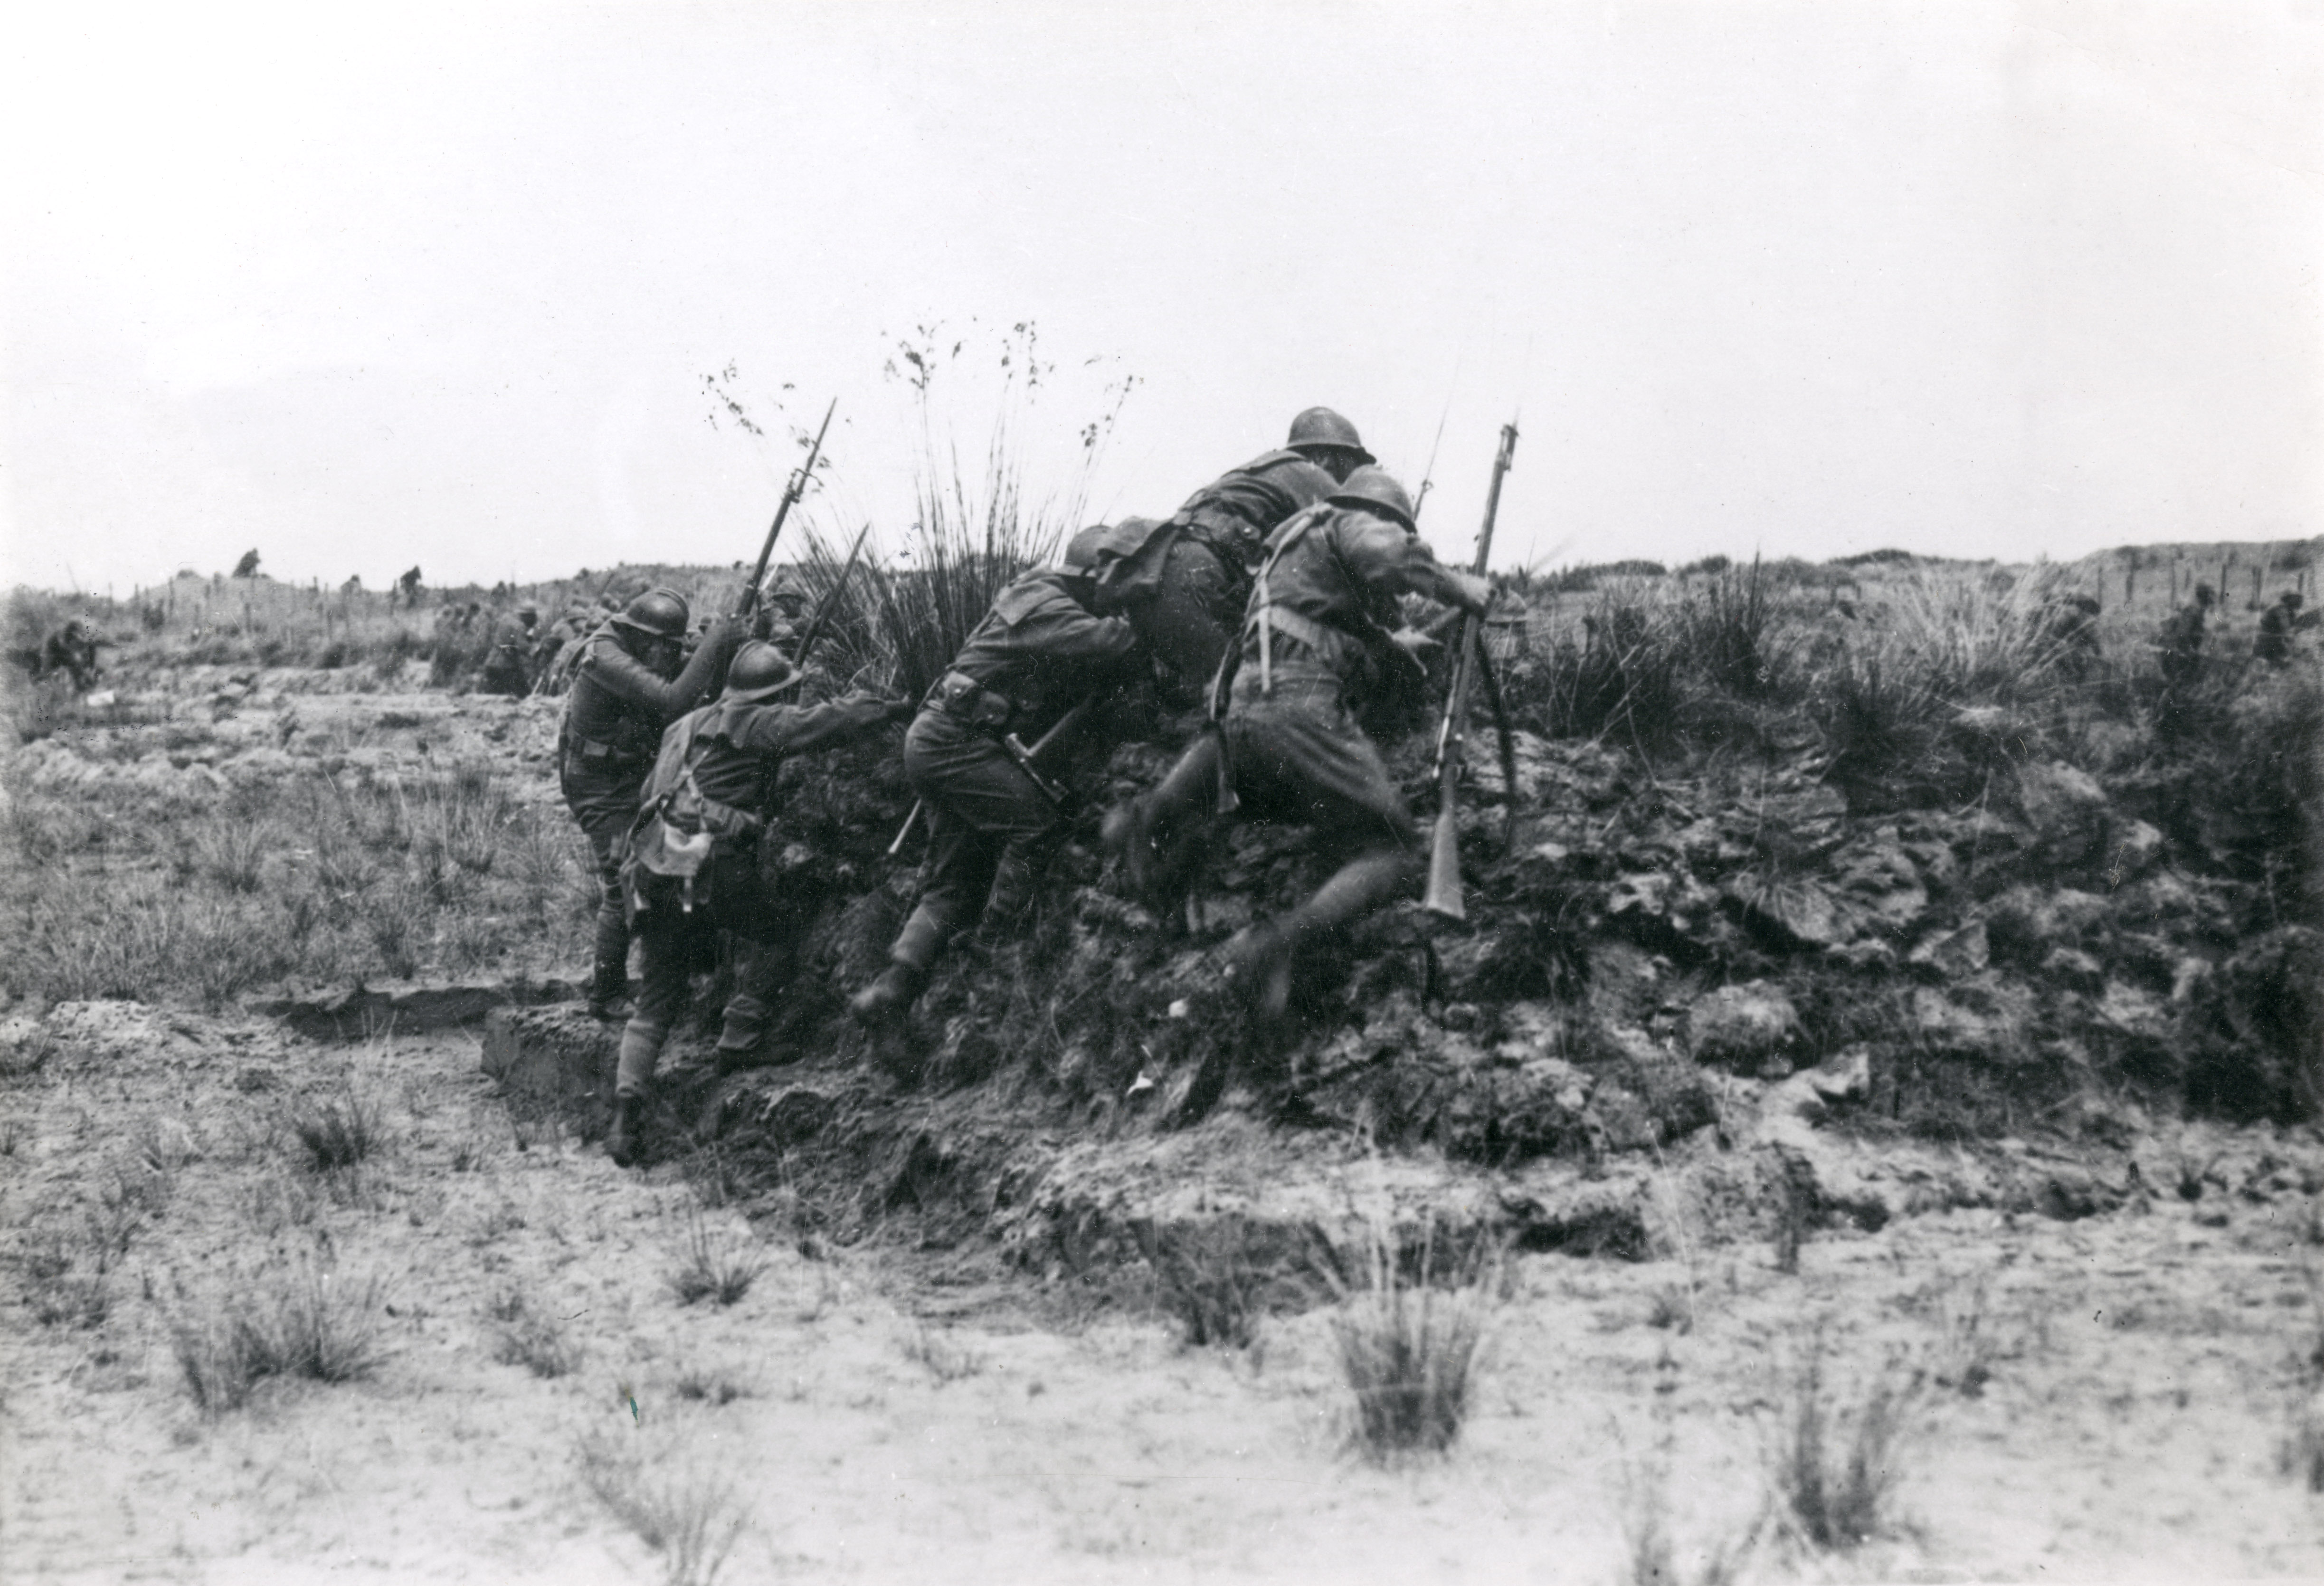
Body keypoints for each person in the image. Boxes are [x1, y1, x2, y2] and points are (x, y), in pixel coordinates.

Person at [1101, 466, 1491, 1020]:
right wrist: (1461, 587)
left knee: (1264, 791)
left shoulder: (1291, 549)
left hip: (1242, 709)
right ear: (1381, 514)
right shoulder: (1351, 520)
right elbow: (1388, 553)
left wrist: (1388, 641)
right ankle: (1282, 946)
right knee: (1393, 847)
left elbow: (1317, 624)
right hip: (1300, 706)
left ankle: (1151, 815)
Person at [606, 642, 909, 1166]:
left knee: (655, 1002)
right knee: (783, 930)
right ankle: (741, 1034)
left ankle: (623, 1117)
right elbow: (825, 722)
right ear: (773, 694)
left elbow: (649, 794)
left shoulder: (684, 726)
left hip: (656, 868)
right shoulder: (757, 721)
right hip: (711, 865)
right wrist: (893, 707)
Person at [847, 536, 1142, 1030]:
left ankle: (892, 989)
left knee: (952, 880)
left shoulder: (1036, 594)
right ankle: (995, 944)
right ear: (1090, 578)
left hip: (944, 739)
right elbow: (1110, 642)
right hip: (954, 741)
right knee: (1037, 826)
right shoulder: (1047, 604)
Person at [1081, 408, 1377, 688]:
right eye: (1350, 465)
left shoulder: (1254, 475)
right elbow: (1357, 551)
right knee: (1244, 698)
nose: (1349, 479)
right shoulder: (1310, 473)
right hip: (1194, 582)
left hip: (1152, 584)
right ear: (1326, 457)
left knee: (1214, 696)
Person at [560, 588, 742, 1018]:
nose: (669, 654)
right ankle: (606, 995)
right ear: (640, 637)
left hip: (634, 776)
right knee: (620, 883)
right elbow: (672, 700)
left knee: (670, 867)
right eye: (664, 646)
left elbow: (698, 694)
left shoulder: (638, 649)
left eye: (675, 647)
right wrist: (717, 640)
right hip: (598, 785)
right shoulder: (606, 656)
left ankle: (678, 975)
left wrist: (723, 649)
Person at [2158, 582, 2215, 690]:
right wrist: (2191, 651)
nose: (2208, 606)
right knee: (2179, 685)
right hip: (2178, 654)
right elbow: (2182, 635)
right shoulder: (2191, 612)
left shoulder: (2198, 612)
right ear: (2203, 599)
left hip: (2185, 653)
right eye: (2207, 601)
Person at [476, 605, 541, 696]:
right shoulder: (519, 626)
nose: (534, 622)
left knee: (494, 696)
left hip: (492, 663)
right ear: (527, 616)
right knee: (524, 695)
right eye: (533, 618)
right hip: (506, 666)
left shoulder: (506, 619)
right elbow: (523, 646)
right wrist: (537, 648)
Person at [2255, 590, 2307, 666]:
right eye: (2297, 599)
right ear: (2290, 600)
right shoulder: (2281, 611)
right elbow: (2286, 630)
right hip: (2268, 642)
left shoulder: (2286, 610)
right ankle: (2281, 659)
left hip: (2271, 640)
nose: (2301, 602)